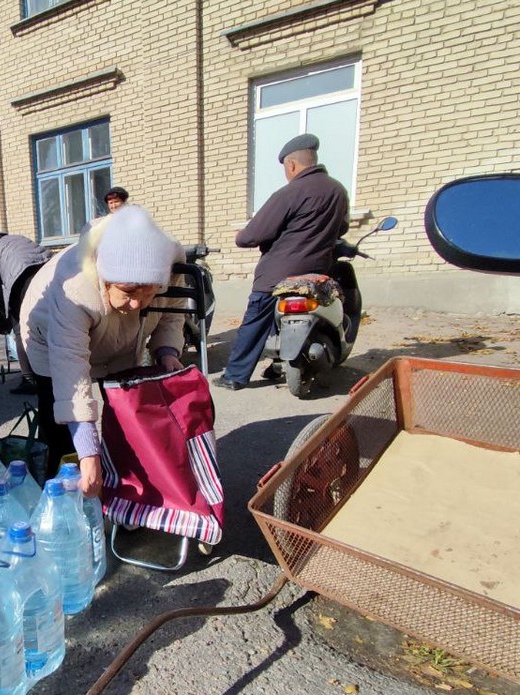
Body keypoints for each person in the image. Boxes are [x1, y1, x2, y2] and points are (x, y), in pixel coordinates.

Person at [20, 205, 185, 496]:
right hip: (48, 336)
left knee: (124, 407)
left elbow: (172, 310)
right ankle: (65, 488)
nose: (138, 303)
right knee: (59, 420)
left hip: (118, 337)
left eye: (148, 292)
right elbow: (70, 369)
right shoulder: (75, 286)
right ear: (105, 277)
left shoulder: (167, 263)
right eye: (129, 292)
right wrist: (86, 450)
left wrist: (167, 350)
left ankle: (125, 483)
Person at [213, 133, 350, 391]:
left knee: (254, 324)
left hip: (276, 276)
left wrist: (240, 236)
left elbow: (253, 235)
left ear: (292, 165)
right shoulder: (338, 190)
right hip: (316, 276)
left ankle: (234, 376)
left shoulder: (290, 192)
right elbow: (341, 228)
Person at [0, 227, 50, 395]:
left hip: (22, 276)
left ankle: (29, 379)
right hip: (47, 271)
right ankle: (56, 371)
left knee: (20, 328)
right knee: (50, 321)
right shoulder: (12, 238)